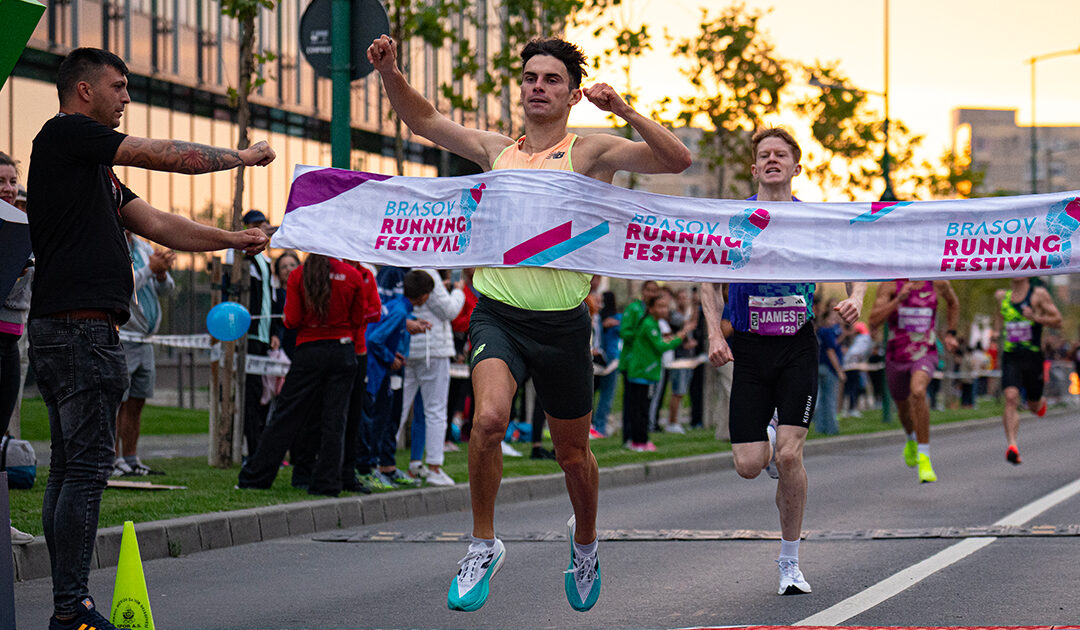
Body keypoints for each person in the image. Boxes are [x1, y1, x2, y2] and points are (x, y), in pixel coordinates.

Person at [368, 34, 691, 612]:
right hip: (498, 312)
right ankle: (483, 543)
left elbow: (676, 160)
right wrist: (392, 71)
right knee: (488, 419)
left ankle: (585, 541)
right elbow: (425, 121)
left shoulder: (589, 151)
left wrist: (623, 110)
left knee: (573, 457)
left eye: (551, 80)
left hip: (563, 323)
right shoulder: (497, 150)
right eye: (530, 78)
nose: (537, 87)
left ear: (570, 94)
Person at [26, 47, 273, 630]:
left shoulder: (89, 168)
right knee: (85, 471)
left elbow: (162, 224)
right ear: (84, 90)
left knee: (69, 468)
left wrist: (235, 240)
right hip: (80, 330)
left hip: (74, 328)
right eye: (119, 87)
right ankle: (71, 609)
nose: (127, 98)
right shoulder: (66, 134)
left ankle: (69, 603)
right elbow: (160, 154)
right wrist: (240, 157)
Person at [700, 127, 865, 597]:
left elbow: (858, 261)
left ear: (796, 166)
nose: (772, 160)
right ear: (754, 169)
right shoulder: (734, 220)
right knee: (749, 465)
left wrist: (855, 298)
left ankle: (789, 563)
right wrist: (714, 332)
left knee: (791, 456)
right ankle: (768, 438)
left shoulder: (812, 220)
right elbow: (705, 277)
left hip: (797, 345)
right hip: (749, 349)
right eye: (764, 155)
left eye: (781, 155)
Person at [237, 254, 376, 496]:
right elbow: (358, 318)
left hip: (308, 349)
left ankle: (256, 476)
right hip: (342, 349)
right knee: (336, 420)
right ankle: (327, 482)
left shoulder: (298, 275)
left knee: (286, 415)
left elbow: (292, 319)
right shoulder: (351, 275)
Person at [868, 279, 959, 482]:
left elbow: (953, 302)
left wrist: (951, 333)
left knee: (918, 391)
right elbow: (873, 320)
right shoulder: (890, 286)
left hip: (925, 352)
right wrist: (897, 300)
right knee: (903, 408)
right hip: (896, 356)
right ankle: (911, 439)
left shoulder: (937, 283)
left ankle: (924, 457)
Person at [113, 231, 175, 477]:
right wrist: (150, 269)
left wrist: (161, 274)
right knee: (118, 402)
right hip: (123, 337)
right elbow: (121, 286)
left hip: (146, 341)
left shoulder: (142, 246)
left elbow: (166, 289)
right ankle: (113, 459)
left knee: (137, 401)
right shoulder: (111, 243)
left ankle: (131, 458)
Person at [364, 270, 434, 487]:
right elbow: (375, 339)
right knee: (377, 419)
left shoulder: (401, 308)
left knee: (388, 417)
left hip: (385, 370)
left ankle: (384, 467)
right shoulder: (399, 310)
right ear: (424, 296)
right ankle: (369, 469)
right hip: (378, 370)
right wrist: (389, 358)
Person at [399, 268, 465, 486]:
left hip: (408, 347)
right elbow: (449, 311)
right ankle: (435, 466)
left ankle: (384, 463)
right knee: (435, 409)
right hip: (433, 349)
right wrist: (458, 292)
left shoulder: (407, 267)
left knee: (400, 408)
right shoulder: (430, 273)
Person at [0, 151, 35, 546]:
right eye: (1, 183)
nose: (9, 189)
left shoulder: (23, 224)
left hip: (13, 338)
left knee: (1, 433)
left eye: (13, 182)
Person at [994, 277, 1062, 464]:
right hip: (1011, 355)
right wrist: (996, 332)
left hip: (1032, 357)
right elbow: (999, 317)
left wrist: (1036, 318)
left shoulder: (1038, 295)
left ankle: (1039, 402)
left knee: (1033, 406)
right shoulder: (1001, 296)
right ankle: (1012, 446)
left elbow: (1058, 320)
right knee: (1010, 397)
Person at [623, 292, 692, 451]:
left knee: (644, 408)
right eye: (660, 306)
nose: (664, 310)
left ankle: (641, 440)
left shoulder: (654, 324)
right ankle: (638, 441)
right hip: (642, 374)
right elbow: (660, 346)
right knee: (640, 410)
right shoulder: (648, 324)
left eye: (666, 307)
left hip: (648, 373)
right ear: (651, 308)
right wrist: (680, 336)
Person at [591, 290, 620, 438]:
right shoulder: (597, 319)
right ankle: (596, 426)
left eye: (601, 301)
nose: (600, 304)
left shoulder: (608, 320)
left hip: (608, 362)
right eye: (597, 301)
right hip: (600, 362)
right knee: (597, 396)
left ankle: (598, 426)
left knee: (604, 397)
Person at [813, 303, 844, 436]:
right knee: (830, 399)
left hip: (818, 366)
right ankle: (832, 427)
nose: (834, 321)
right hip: (829, 369)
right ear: (826, 319)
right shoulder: (828, 332)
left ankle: (820, 427)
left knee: (819, 399)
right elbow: (831, 351)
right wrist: (839, 371)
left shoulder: (819, 331)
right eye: (831, 319)